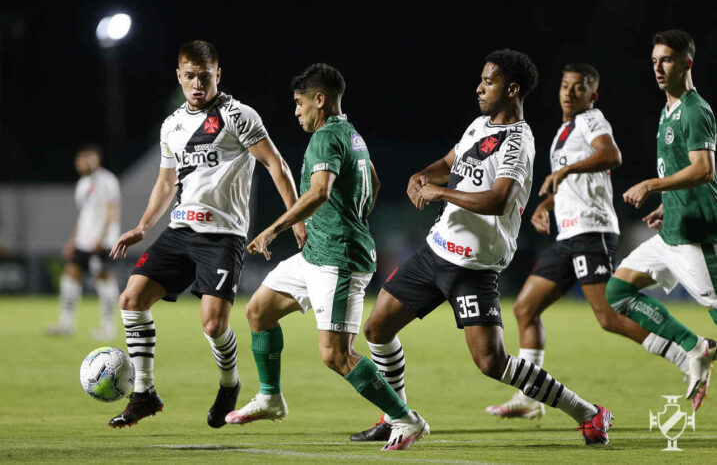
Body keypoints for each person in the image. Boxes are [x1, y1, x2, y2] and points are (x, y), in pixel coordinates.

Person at [352, 49, 614, 446]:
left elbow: (500, 200)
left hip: (473, 267)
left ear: (511, 89)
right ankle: (397, 416)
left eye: (488, 81)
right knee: (376, 327)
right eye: (481, 79)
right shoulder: (478, 126)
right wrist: (422, 174)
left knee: (491, 363)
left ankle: (589, 412)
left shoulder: (518, 142)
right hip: (433, 252)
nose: (479, 87)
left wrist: (440, 191)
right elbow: (448, 161)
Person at [224, 63, 429, 451]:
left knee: (336, 355)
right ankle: (270, 397)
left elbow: (319, 192)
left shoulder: (325, 137)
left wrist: (274, 228)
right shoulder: (352, 135)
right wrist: (347, 214)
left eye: (300, 103)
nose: (296, 111)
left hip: (338, 257)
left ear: (320, 100)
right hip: (318, 252)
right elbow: (374, 182)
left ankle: (406, 419)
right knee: (258, 312)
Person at [107, 40, 305, 429]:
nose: (197, 84)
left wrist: (296, 217)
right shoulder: (172, 125)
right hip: (180, 229)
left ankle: (230, 384)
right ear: (179, 77)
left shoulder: (238, 115)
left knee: (213, 325)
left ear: (218, 75)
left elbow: (275, 164)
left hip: (223, 235)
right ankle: (144, 393)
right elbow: (166, 184)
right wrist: (143, 227)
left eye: (205, 76)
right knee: (131, 299)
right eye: (190, 76)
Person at [485, 63, 691, 420]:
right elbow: (574, 183)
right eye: (565, 85)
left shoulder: (591, 119)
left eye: (579, 87)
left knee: (608, 315)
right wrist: (547, 205)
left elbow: (612, 155)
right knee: (524, 308)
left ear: (592, 95)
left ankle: (684, 356)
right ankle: (529, 397)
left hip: (592, 231)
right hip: (568, 235)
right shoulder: (564, 131)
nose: (569, 92)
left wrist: (563, 170)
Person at [606, 29, 717, 411]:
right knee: (618, 292)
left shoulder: (694, 110)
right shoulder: (668, 109)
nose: (657, 67)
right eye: (654, 60)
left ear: (687, 62)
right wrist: (667, 203)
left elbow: (704, 170)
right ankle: (693, 346)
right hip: (672, 230)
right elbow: (684, 171)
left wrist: (652, 185)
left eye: (666, 59)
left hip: (697, 238)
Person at [46, 145, 121, 340]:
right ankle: (66, 323)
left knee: (102, 278)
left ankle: (108, 328)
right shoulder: (82, 184)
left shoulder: (107, 180)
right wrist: (73, 239)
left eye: (84, 160)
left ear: (95, 160)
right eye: (79, 160)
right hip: (84, 239)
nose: (80, 164)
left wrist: (102, 237)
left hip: (102, 240)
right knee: (70, 276)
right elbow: (84, 214)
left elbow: (112, 210)